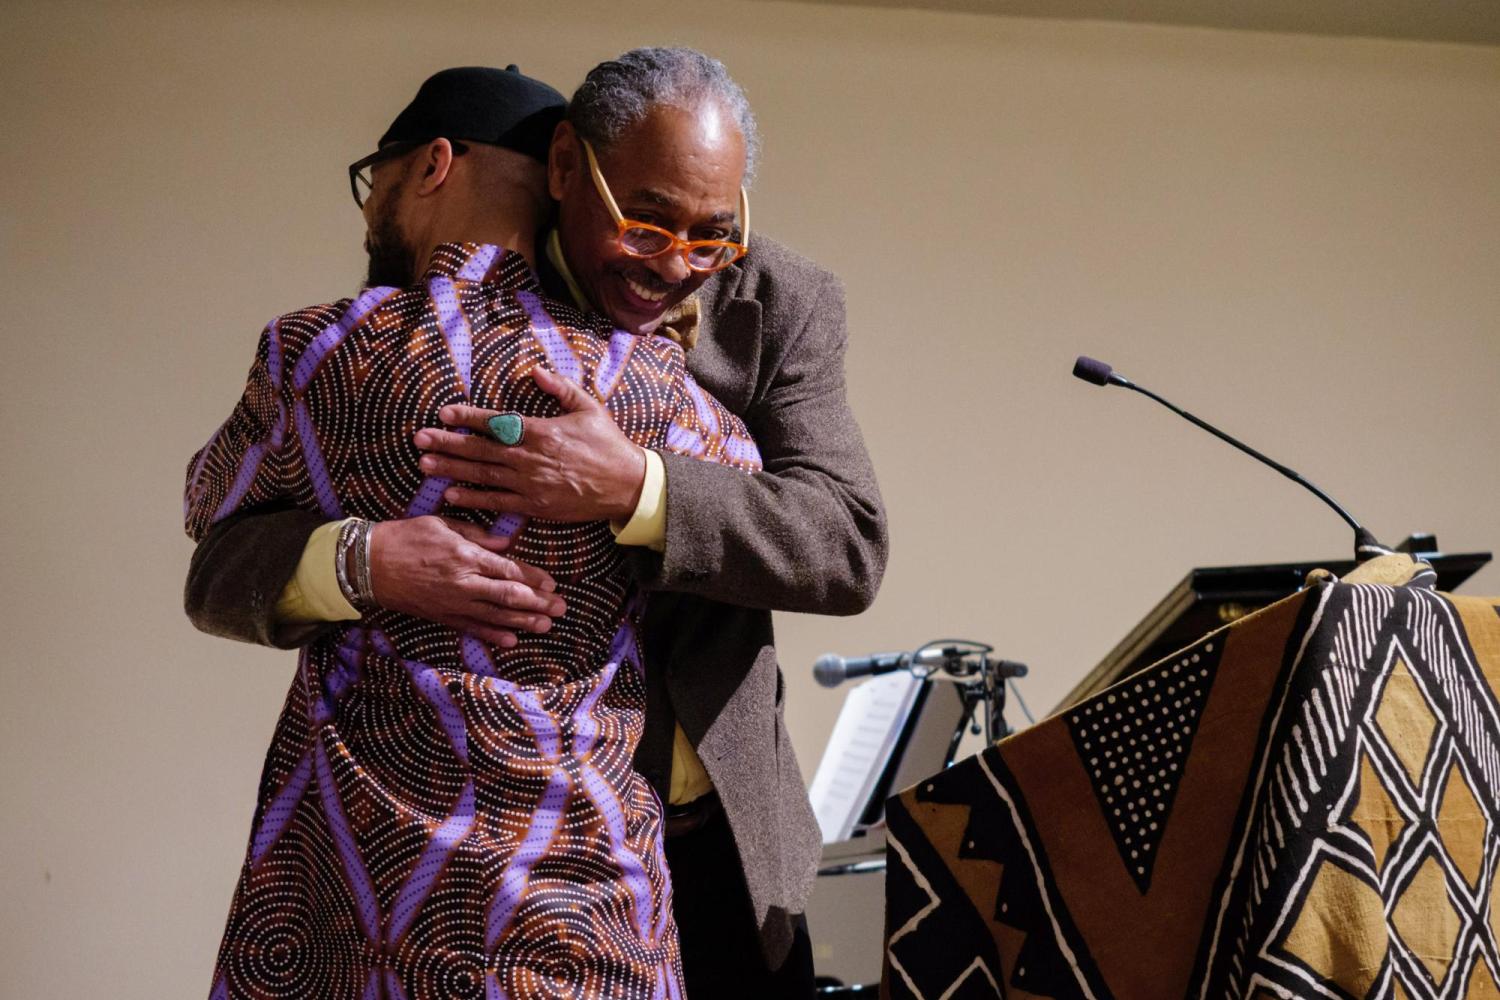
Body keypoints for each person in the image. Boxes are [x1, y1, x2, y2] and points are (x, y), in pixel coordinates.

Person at [185, 49, 888, 998]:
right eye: (644, 224)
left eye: (713, 236)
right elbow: (222, 556)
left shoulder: (786, 302)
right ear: (565, 170)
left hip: (710, 843)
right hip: (422, 859)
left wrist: (638, 487)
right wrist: (359, 558)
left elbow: (844, 542)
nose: (675, 265)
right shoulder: (408, 330)